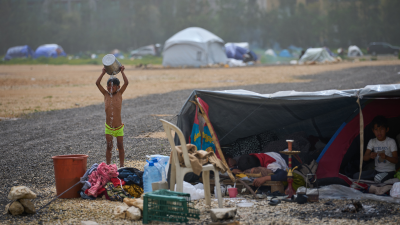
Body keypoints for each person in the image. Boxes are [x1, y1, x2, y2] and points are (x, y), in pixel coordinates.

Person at [96, 66, 129, 167]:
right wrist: (102, 73)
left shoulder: (119, 94)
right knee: (109, 147)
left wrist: (122, 72)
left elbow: (126, 83)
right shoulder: (105, 94)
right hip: (108, 127)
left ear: (118, 87)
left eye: (113, 86)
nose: (110, 88)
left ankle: (122, 165)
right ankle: (108, 165)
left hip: (119, 127)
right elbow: (97, 83)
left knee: (120, 146)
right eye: (109, 86)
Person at [353, 115, 398, 183]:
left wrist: (386, 157)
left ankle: (376, 181)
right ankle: (375, 181)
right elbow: (364, 158)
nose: (379, 132)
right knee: (356, 176)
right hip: (376, 171)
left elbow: (396, 160)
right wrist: (370, 156)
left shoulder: (391, 141)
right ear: (373, 130)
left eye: (382, 129)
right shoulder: (372, 141)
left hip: (389, 172)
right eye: (376, 129)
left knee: (377, 179)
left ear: (387, 129)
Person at [230, 152, 300, 187]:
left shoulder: (270, 164)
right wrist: (234, 169)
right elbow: (242, 166)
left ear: (257, 167)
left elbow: (284, 175)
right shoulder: (254, 156)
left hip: (294, 159)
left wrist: (265, 178)